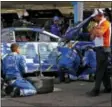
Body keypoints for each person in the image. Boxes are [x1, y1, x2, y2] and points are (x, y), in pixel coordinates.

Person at [87, 9, 111, 96]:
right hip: (100, 48)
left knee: (100, 69)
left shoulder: (105, 23)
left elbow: (99, 33)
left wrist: (93, 28)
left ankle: (96, 90)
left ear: (100, 15)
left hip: (103, 48)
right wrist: (93, 30)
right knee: (103, 68)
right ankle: (108, 87)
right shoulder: (99, 24)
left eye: (95, 16)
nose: (94, 18)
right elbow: (92, 37)